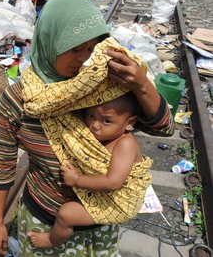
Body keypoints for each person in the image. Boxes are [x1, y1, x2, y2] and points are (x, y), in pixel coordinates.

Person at [0, 0, 174, 256]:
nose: (83, 58)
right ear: (50, 39)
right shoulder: (19, 100)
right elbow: (4, 162)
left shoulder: (99, 84)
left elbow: (164, 129)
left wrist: (142, 85)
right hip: (43, 218)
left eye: (90, 48)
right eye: (75, 48)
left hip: (98, 221)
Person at [28, 93, 153, 248]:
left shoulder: (126, 143)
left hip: (119, 204)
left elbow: (113, 182)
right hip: (108, 194)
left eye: (106, 120)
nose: (94, 125)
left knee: (66, 214)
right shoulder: (102, 136)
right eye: (90, 115)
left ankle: (52, 241)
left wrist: (76, 180)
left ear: (130, 123)